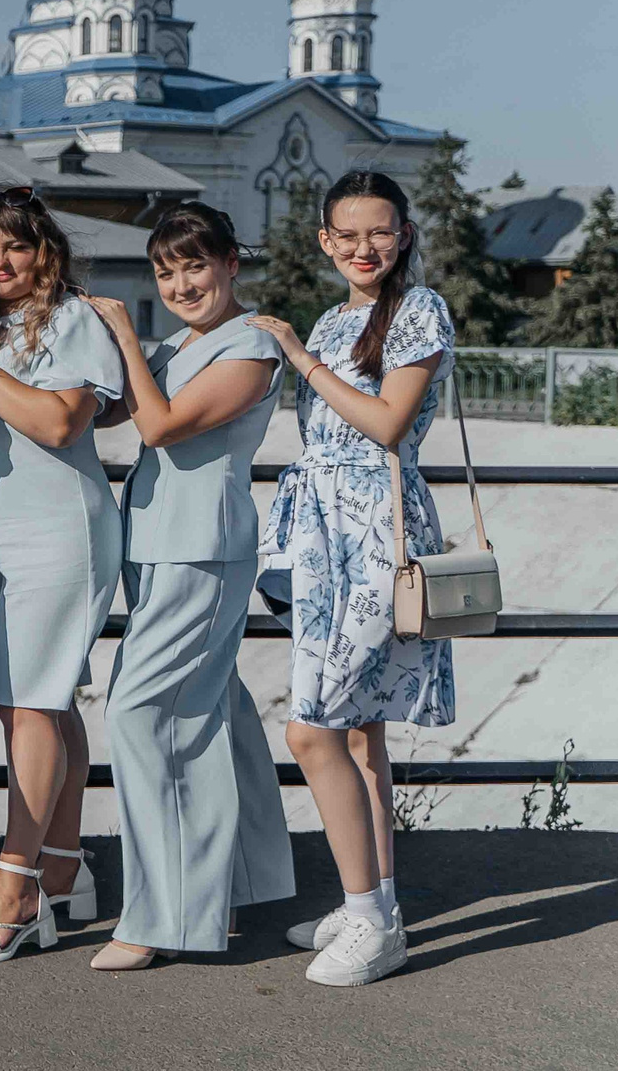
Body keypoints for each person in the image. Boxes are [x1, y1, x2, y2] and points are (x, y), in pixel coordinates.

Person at [251, 171, 457, 989]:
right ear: (325, 241)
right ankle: (373, 900)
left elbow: (385, 423)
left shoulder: (418, 310)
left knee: (314, 728)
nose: (364, 247)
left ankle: (373, 922)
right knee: (360, 734)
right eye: (349, 234)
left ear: (403, 234)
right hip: (321, 532)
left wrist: (297, 356)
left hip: (378, 530)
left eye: (381, 231)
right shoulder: (337, 317)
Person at [83, 202, 295, 971]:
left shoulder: (254, 345)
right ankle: (238, 885)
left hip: (203, 548)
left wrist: (126, 339)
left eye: (195, 265)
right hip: (158, 544)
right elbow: (115, 410)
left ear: (232, 262)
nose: (180, 282)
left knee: (145, 713)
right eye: (166, 271)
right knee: (212, 712)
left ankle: (163, 914)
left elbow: (164, 424)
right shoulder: (179, 342)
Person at [0, 187, 125, 964]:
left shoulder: (74, 317)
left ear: (43, 247)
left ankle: (14, 889)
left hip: (60, 531)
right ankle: (62, 866)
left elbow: (60, 421)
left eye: (12, 245)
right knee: (47, 703)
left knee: (29, 705)